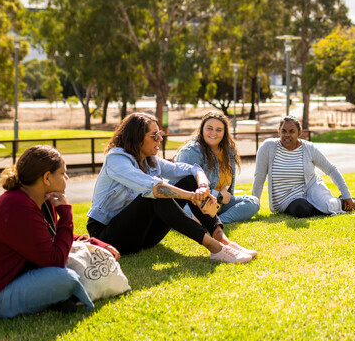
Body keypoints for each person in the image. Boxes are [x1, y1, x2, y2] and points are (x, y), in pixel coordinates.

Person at [0, 145, 117, 323]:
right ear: (46, 177)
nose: (67, 178)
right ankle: (58, 298)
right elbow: (55, 261)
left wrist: (96, 243)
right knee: (65, 279)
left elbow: (52, 236)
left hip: (4, 281)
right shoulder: (17, 205)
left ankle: (57, 298)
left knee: (66, 275)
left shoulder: (41, 200)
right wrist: (66, 215)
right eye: (62, 173)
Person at [86, 112, 255, 263]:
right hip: (109, 237)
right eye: (155, 135)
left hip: (144, 237)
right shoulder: (116, 159)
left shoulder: (150, 160)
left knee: (189, 180)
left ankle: (223, 240)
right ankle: (215, 248)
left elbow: (192, 169)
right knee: (157, 194)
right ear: (137, 137)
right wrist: (192, 196)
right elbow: (154, 188)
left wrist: (203, 187)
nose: (160, 139)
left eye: (160, 134)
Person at [252, 116, 355, 217]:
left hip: (312, 189)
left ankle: (342, 202)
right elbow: (259, 176)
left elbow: (331, 169)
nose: (287, 135)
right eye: (284, 131)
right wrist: (254, 205)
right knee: (301, 209)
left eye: (292, 131)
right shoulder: (268, 147)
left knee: (326, 206)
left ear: (299, 132)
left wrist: (347, 195)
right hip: (285, 200)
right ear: (279, 131)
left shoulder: (309, 148)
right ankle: (330, 205)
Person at [173, 111, 260, 224]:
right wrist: (218, 196)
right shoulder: (192, 151)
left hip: (218, 204)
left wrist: (221, 199)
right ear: (202, 129)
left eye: (219, 130)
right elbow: (185, 188)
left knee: (253, 202)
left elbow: (228, 193)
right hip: (192, 204)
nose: (213, 133)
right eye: (209, 128)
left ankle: (217, 221)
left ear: (224, 132)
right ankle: (207, 221)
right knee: (192, 217)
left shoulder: (229, 151)